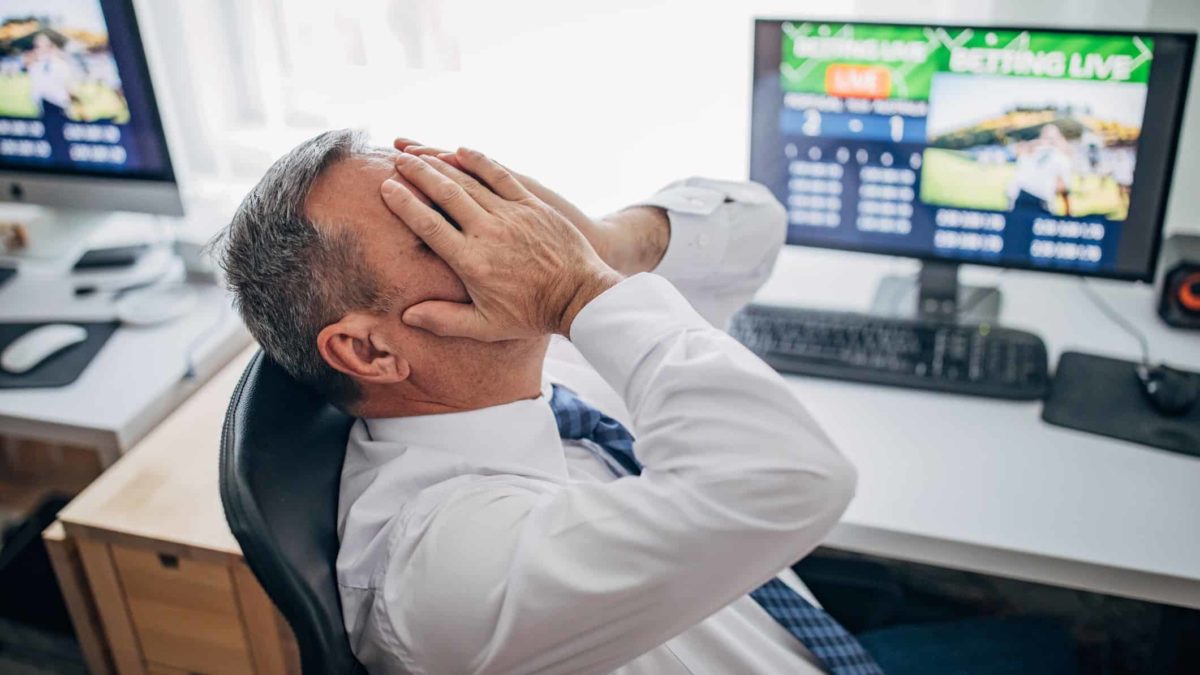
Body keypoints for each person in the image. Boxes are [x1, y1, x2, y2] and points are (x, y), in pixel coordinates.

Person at [219, 130, 1077, 674]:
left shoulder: (537, 363)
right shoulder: (442, 570)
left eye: (464, 191)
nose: (497, 222)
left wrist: (602, 244)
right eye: (440, 223)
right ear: (370, 349)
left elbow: (753, 225)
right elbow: (796, 479)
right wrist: (580, 288)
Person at [1007, 123, 1074, 217]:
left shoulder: (1029, 151)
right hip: (1039, 200)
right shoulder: (1060, 157)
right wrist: (1068, 213)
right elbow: (1063, 188)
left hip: (1019, 198)